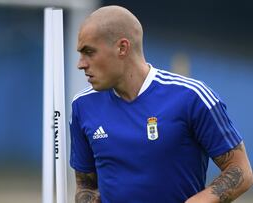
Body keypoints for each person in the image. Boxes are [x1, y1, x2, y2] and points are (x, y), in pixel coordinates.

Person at [70, 5, 253, 203]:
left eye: (89, 52)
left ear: (122, 47)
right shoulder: (83, 105)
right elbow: (86, 184)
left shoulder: (192, 97)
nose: (81, 63)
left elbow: (240, 171)